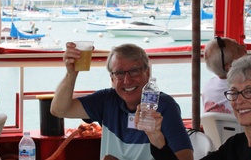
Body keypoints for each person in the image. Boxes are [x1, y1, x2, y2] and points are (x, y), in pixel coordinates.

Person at [50, 42, 193, 160]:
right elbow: (59, 110)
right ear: (112, 78)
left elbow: (186, 158)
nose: (127, 80)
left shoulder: (164, 106)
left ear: (147, 72)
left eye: (135, 71)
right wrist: (71, 73)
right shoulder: (106, 100)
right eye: (119, 73)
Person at [143, 54, 251, 160]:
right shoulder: (235, 146)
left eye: (249, 91)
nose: (239, 100)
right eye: (234, 92)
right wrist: (158, 140)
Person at [202, 36, 247, 113]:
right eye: (238, 49)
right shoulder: (244, 89)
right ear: (229, 67)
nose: (244, 46)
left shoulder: (208, 87)